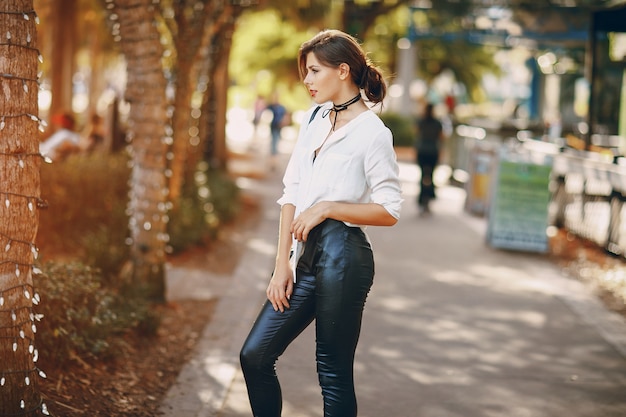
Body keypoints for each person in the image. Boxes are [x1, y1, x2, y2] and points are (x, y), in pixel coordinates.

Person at [240, 29, 403, 417]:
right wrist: (282, 264)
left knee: (333, 374)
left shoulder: (373, 133)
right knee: (255, 356)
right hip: (305, 259)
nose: (307, 80)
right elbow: (291, 191)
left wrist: (330, 207)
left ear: (342, 70)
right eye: (306, 72)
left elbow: (390, 210)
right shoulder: (314, 118)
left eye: (314, 71)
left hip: (345, 259)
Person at [414, 102, 443, 213]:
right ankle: (429, 198)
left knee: (423, 176)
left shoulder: (421, 121)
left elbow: (416, 133)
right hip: (433, 151)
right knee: (430, 176)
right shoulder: (437, 123)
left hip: (422, 151)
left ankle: (422, 199)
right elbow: (441, 138)